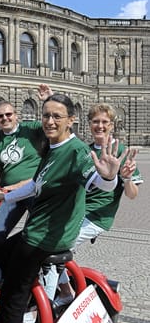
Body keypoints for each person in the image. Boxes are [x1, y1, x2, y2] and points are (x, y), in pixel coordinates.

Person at [0, 93, 131, 323]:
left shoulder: (75, 151)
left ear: (71, 121)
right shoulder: (52, 147)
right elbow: (36, 184)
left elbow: (97, 181)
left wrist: (110, 178)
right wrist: (4, 196)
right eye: (46, 115)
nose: (50, 121)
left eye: (57, 116)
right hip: (40, 233)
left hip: (43, 238)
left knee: (12, 299)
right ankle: (34, 294)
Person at [55, 102, 141, 306]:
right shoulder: (84, 149)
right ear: (89, 124)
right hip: (75, 214)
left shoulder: (121, 152)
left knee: (56, 250)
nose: (99, 126)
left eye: (104, 122)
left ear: (112, 125)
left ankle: (66, 293)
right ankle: (64, 286)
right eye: (95, 121)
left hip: (96, 218)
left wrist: (126, 178)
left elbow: (132, 195)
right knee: (49, 248)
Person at [0, 86, 50, 287]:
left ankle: (39, 285)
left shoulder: (31, 129)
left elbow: (53, 122)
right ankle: (0, 285)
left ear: (16, 115)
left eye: (8, 114)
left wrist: (48, 100)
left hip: (34, 191)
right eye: (0, 116)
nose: (5, 118)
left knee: (36, 237)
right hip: (9, 194)